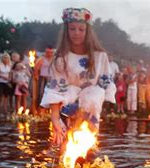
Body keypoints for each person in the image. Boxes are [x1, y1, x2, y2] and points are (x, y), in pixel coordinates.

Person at [40, 7, 116, 145]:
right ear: (66, 31)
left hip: (90, 108)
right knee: (66, 147)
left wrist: (91, 106)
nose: (76, 33)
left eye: (81, 29)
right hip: (67, 106)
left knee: (86, 150)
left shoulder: (100, 57)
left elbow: (103, 87)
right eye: (72, 29)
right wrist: (55, 119)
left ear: (87, 32)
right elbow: (56, 89)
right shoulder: (61, 58)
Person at [33, 45, 54, 113]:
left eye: (51, 52)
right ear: (45, 52)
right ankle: (39, 110)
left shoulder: (53, 59)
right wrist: (36, 78)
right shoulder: (41, 59)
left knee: (50, 94)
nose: (49, 54)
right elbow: (36, 69)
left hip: (51, 79)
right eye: (48, 52)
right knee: (41, 94)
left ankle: (48, 110)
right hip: (43, 78)